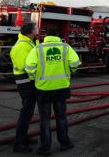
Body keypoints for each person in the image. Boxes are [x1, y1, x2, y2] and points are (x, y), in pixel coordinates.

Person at [25, 27, 81, 156]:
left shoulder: (38, 49)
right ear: (57, 35)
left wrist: (35, 78)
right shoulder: (66, 48)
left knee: (45, 119)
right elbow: (75, 63)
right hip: (61, 88)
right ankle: (65, 143)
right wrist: (70, 72)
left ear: (46, 36)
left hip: (43, 89)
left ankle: (45, 148)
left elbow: (29, 67)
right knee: (61, 117)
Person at [10, 23, 37, 153]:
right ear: (31, 31)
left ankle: (24, 138)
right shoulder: (22, 46)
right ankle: (18, 143)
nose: (37, 30)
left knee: (28, 112)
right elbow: (24, 66)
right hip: (26, 83)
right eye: (36, 28)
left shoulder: (29, 43)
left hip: (29, 83)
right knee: (26, 113)